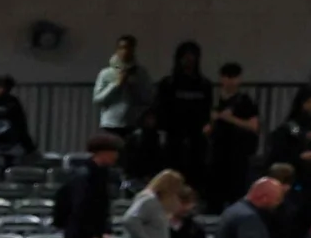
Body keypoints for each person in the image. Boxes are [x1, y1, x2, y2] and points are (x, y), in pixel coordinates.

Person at [59, 132, 125, 238]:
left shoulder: (102, 174)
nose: (116, 156)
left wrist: (103, 232)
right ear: (103, 152)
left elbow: (101, 208)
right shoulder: (85, 175)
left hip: (92, 236)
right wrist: (92, 236)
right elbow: (80, 209)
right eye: (114, 152)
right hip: (82, 237)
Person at [154, 42, 215, 190]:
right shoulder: (168, 84)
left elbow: (208, 109)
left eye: (192, 57)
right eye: (186, 57)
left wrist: (208, 125)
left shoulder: (204, 85)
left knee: (196, 169)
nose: (189, 61)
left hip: (197, 135)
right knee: (173, 169)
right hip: (174, 134)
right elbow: (160, 108)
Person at [205, 63, 261, 212]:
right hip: (217, 152)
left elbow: (253, 126)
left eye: (234, 77)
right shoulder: (215, 100)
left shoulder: (245, 101)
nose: (230, 81)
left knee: (236, 191)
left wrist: (230, 119)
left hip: (237, 153)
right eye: (226, 77)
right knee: (215, 193)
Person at [95, 35, 153, 133]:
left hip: (134, 124)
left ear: (133, 50)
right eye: (122, 48)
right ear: (116, 50)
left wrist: (134, 85)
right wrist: (116, 85)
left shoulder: (141, 74)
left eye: (129, 48)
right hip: (110, 125)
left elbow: (148, 99)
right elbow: (98, 100)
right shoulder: (105, 73)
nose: (125, 51)